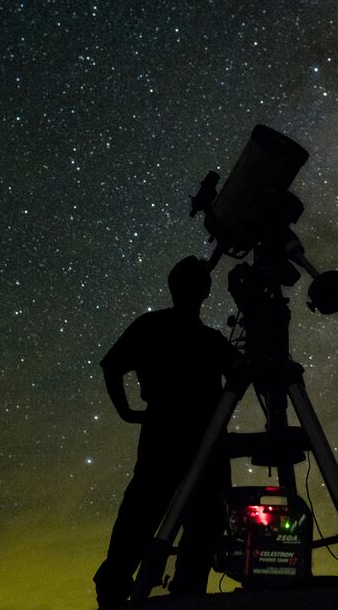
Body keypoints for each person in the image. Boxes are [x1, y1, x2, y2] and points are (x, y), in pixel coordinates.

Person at [93, 255, 239, 608]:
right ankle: (186, 593)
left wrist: (127, 412)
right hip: (202, 440)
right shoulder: (211, 340)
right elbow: (243, 372)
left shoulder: (151, 326)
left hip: (165, 434)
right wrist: (127, 412)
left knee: (140, 518)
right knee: (198, 524)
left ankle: (115, 591)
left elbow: (112, 366)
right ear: (204, 291)